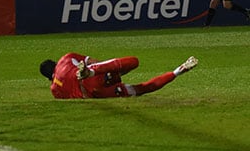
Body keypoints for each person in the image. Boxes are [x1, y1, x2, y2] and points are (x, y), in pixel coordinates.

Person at [39, 53, 198, 99]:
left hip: (95, 94)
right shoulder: (66, 58)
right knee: (133, 61)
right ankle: (178, 70)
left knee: (141, 89)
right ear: (55, 63)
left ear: (48, 77)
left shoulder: (54, 90)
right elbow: (94, 60)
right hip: (92, 76)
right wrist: (107, 71)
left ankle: (178, 71)